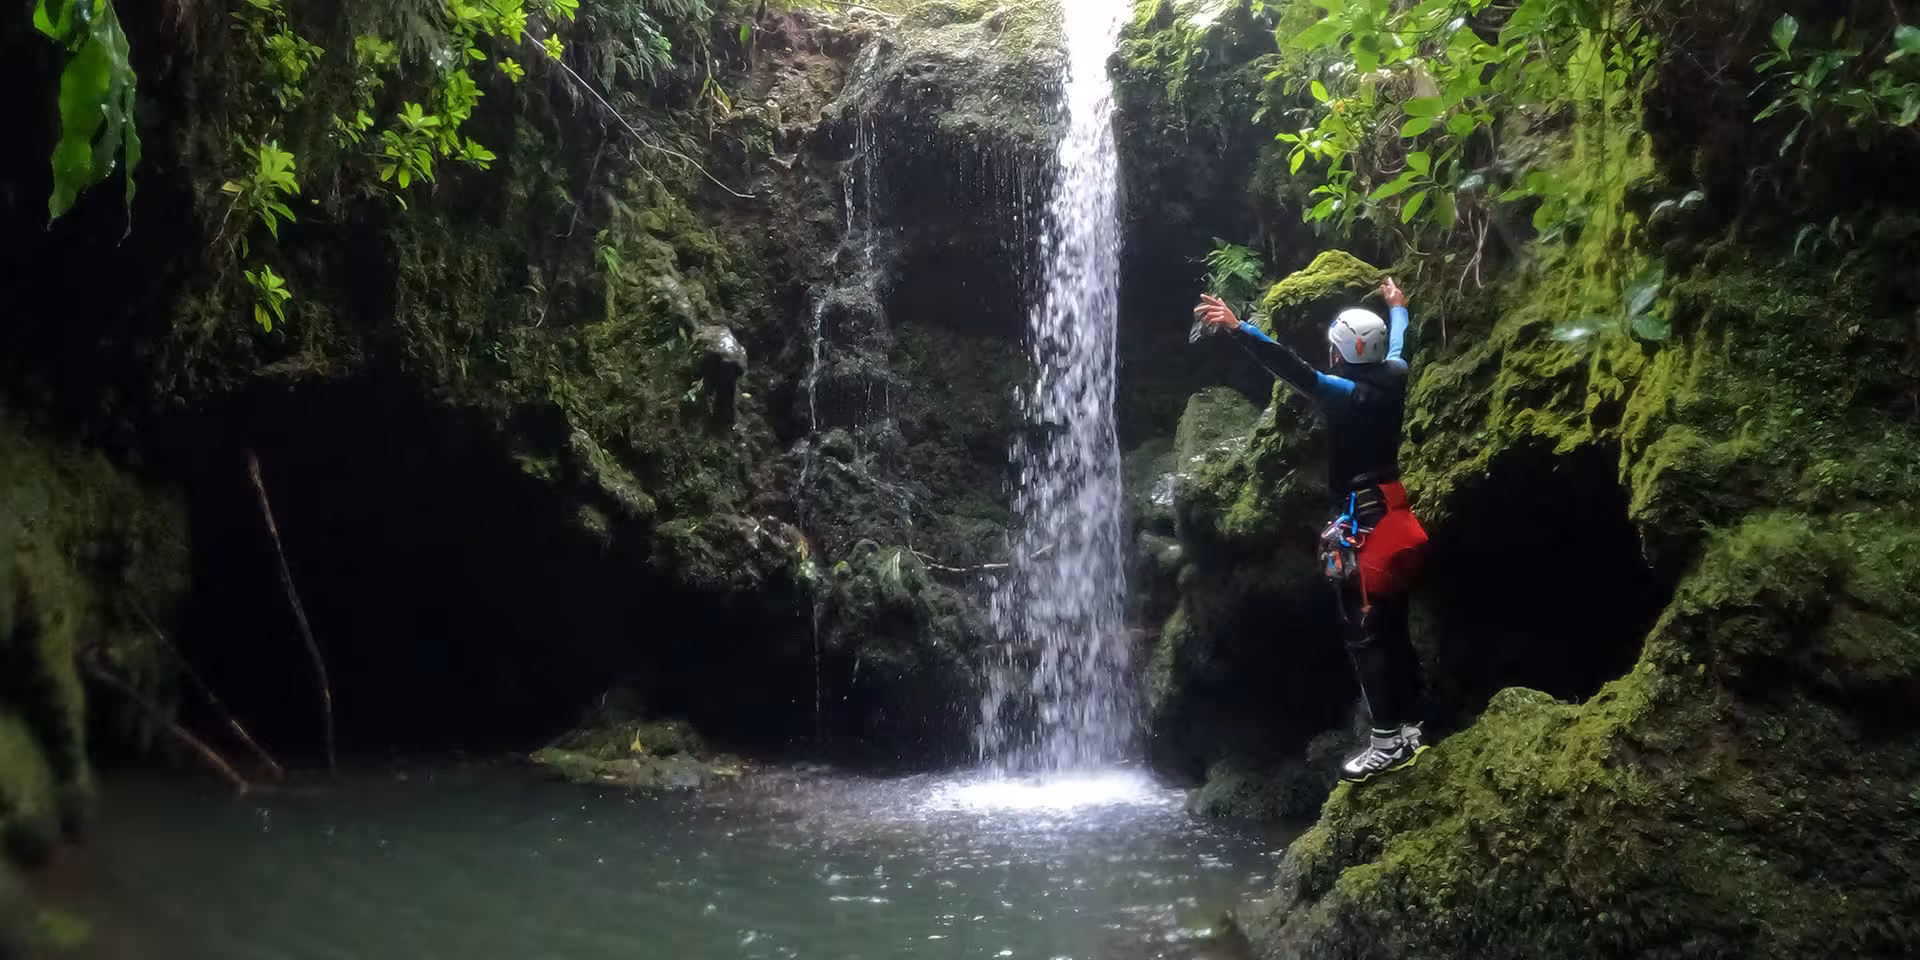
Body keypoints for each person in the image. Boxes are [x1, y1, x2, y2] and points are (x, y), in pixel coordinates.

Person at [1192, 278, 1431, 782]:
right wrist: (1399, 308)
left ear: (1341, 354)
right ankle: (1412, 728)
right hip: (1395, 512)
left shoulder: (1343, 395)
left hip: (1364, 527)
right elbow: (1399, 342)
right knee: (1394, 628)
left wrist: (1240, 328)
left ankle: (1386, 741)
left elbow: (1291, 368)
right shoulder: (1396, 373)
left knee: (1365, 636)